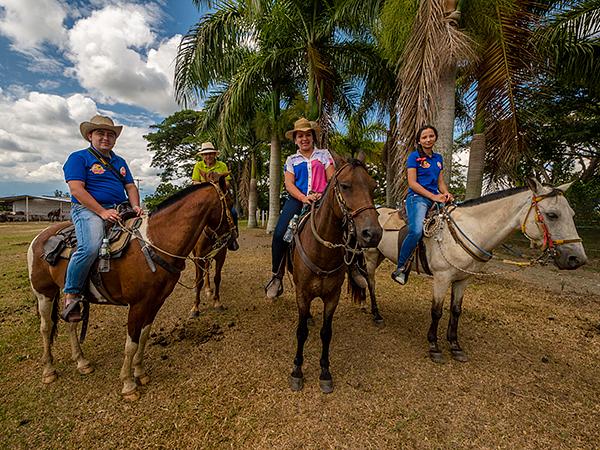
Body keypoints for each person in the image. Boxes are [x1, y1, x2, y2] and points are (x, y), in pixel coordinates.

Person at [61, 114, 143, 322]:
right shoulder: (78, 158)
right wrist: (101, 212)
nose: (106, 138)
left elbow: (130, 186)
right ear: (90, 136)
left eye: (110, 134)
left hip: (121, 208)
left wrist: (135, 206)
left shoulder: (120, 161)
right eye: (100, 133)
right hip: (87, 210)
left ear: (115, 139)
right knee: (89, 247)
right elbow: (76, 190)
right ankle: (72, 295)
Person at [264, 117, 335, 298]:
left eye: (308, 135)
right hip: (297, 199)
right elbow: (289, 184)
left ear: (313, 137)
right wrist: (304, 198)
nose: (304, 139)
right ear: (295, 139)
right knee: (280, 234)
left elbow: (332, 179)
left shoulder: (324, 155)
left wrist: (322, 194)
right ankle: (276, 276)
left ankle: (356, 269)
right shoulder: (291, 160)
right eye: (300, 136)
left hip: (322, 199)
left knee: (348, 226)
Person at [391, 125, 454, 285]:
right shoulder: (413, 157)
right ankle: (401, 268)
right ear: (419, 141)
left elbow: (440, 182)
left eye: (431, 136)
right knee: (416, 230)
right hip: (417, 198)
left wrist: (446, 193)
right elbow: (412, 183)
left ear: (435, 137)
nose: (428, 139)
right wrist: (434, 196)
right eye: (424, 137)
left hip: (436, 198)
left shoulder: (438, 158)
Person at [191, 141, 239, 250]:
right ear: (202, 156)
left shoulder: (222, 165)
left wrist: (217, 184)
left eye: (210, 154)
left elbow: (227, 183)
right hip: (204, 197)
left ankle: (233, 237)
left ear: (214, 154)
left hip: (221, 197)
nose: (208, 156)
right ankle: (191, 239)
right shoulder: (198, 165)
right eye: (206, 154)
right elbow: (194, 182)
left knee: (233, 213)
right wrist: (207, 185)